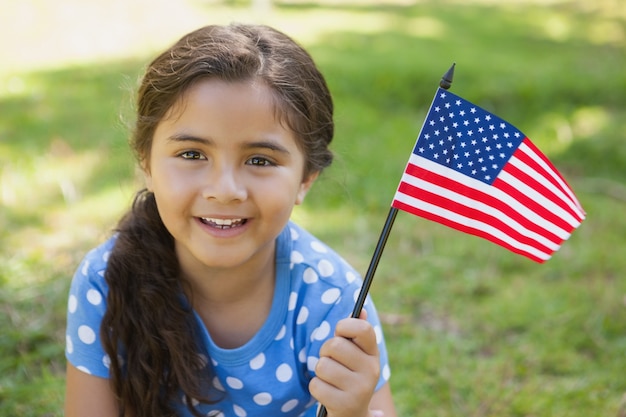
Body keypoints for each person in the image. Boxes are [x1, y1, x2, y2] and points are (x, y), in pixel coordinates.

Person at [64, 23, 396, 417]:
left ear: (305, 180)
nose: (225, 190)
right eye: (192, 154)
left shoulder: (334, 301)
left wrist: (354, 412)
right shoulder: (106, 281)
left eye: (260, 160)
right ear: (146, 163)